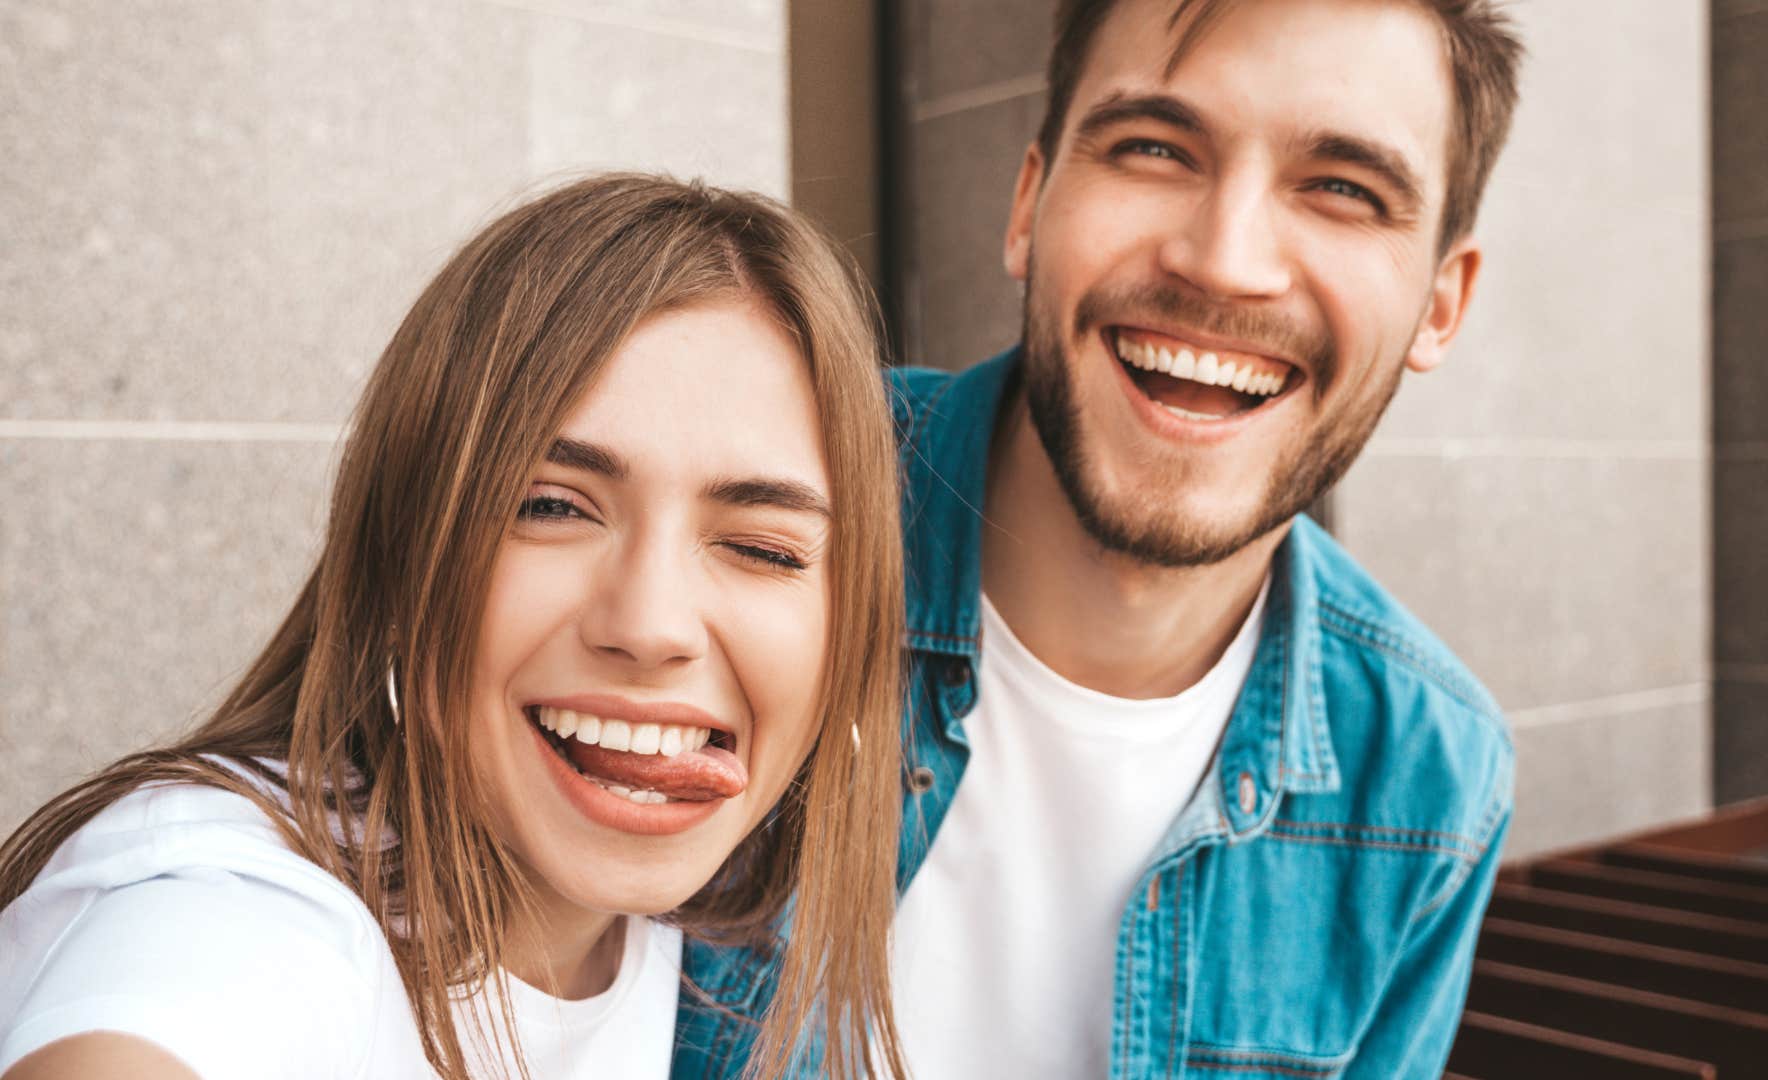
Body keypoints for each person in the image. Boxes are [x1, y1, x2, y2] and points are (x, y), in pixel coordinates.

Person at [676, 0, 1523, 1076]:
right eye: (1156, 149)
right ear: (1029, 204)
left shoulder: (1426, 773)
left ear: (1441, 306)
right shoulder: (745, 501)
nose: (1225, 262)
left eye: (1345, 191)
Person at [0, 174, 909, 1080]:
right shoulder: (233, 905)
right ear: (401, 556)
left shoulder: (709, 951)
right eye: (552, 506)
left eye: (763, 548)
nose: (651, 624)